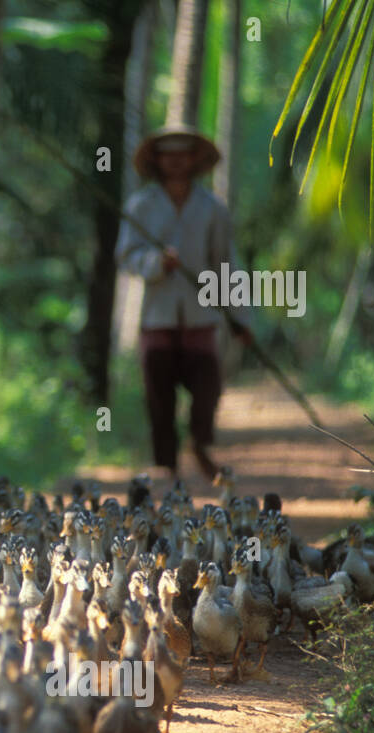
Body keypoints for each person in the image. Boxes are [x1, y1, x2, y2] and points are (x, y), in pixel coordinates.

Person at [115, 125, 253, 482]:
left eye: (182, 154)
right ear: (158, 161)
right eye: (168, 155)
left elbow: (226, 263)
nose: (175, 162)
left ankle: (201, 445)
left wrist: (239, 317)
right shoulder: (140, 206)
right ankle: (166, 464)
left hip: (201, 313)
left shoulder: (212, 208)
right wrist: (156, 264)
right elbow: (127, 255)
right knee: (158, 395)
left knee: (207, 386)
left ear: (194, 160)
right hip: (157, 316)